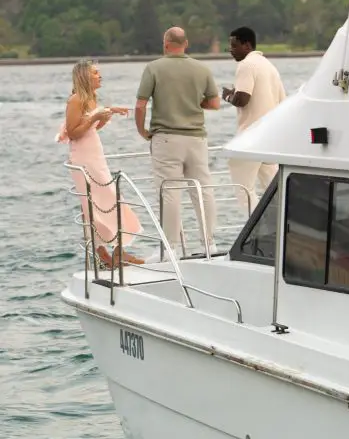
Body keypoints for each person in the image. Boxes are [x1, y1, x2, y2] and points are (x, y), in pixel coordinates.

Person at [134, 27, 220, 262]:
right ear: (186, 43)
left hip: (167, 138)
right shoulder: (202, 69)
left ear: (166, 43)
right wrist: (192, 102)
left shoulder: (154, 68)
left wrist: (143, 131)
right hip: (196, 138)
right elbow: (214, 103)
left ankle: (170, 248)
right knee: (203, 190)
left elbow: (141, 105)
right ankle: (209, 243)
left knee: (170, 192)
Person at [57, 59, 145, 267]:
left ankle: (111, 252)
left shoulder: (90, 99)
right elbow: (73, 133)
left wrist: (106, 114)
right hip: (84, 160)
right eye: (96, 73)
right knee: (103, 203)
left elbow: (89, 130)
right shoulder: (76, 100)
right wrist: (95, 116)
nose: (100, 76)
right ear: (85, 77)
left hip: (95, 156)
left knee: (103, 203)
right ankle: (109, 253)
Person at [223, 26, 287, 214]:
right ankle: (279, 227)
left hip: (249, 139)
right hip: (269, 139)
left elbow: (242, 98)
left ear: (247, 45)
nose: (231, 51)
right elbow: (282, 102)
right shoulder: (269, 66)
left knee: (243, 190)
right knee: (275, 191)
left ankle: (257, 230)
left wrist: (228, 96)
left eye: (234, 46)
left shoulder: (246, 65)